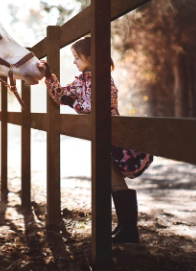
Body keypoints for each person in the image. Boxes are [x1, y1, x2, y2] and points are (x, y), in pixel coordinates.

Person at [38, 37, 153, 244]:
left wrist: (74, 104)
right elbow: (60, 94)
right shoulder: (81, 80)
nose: (74, 62)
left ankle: (128, 229)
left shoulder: (103, 79)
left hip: (112, 134)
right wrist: (49, 75)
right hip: (100, 135)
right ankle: (126, 228)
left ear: (90, 57)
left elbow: (93, 106)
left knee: (111, 176)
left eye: (76, 58)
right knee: (110, 177)